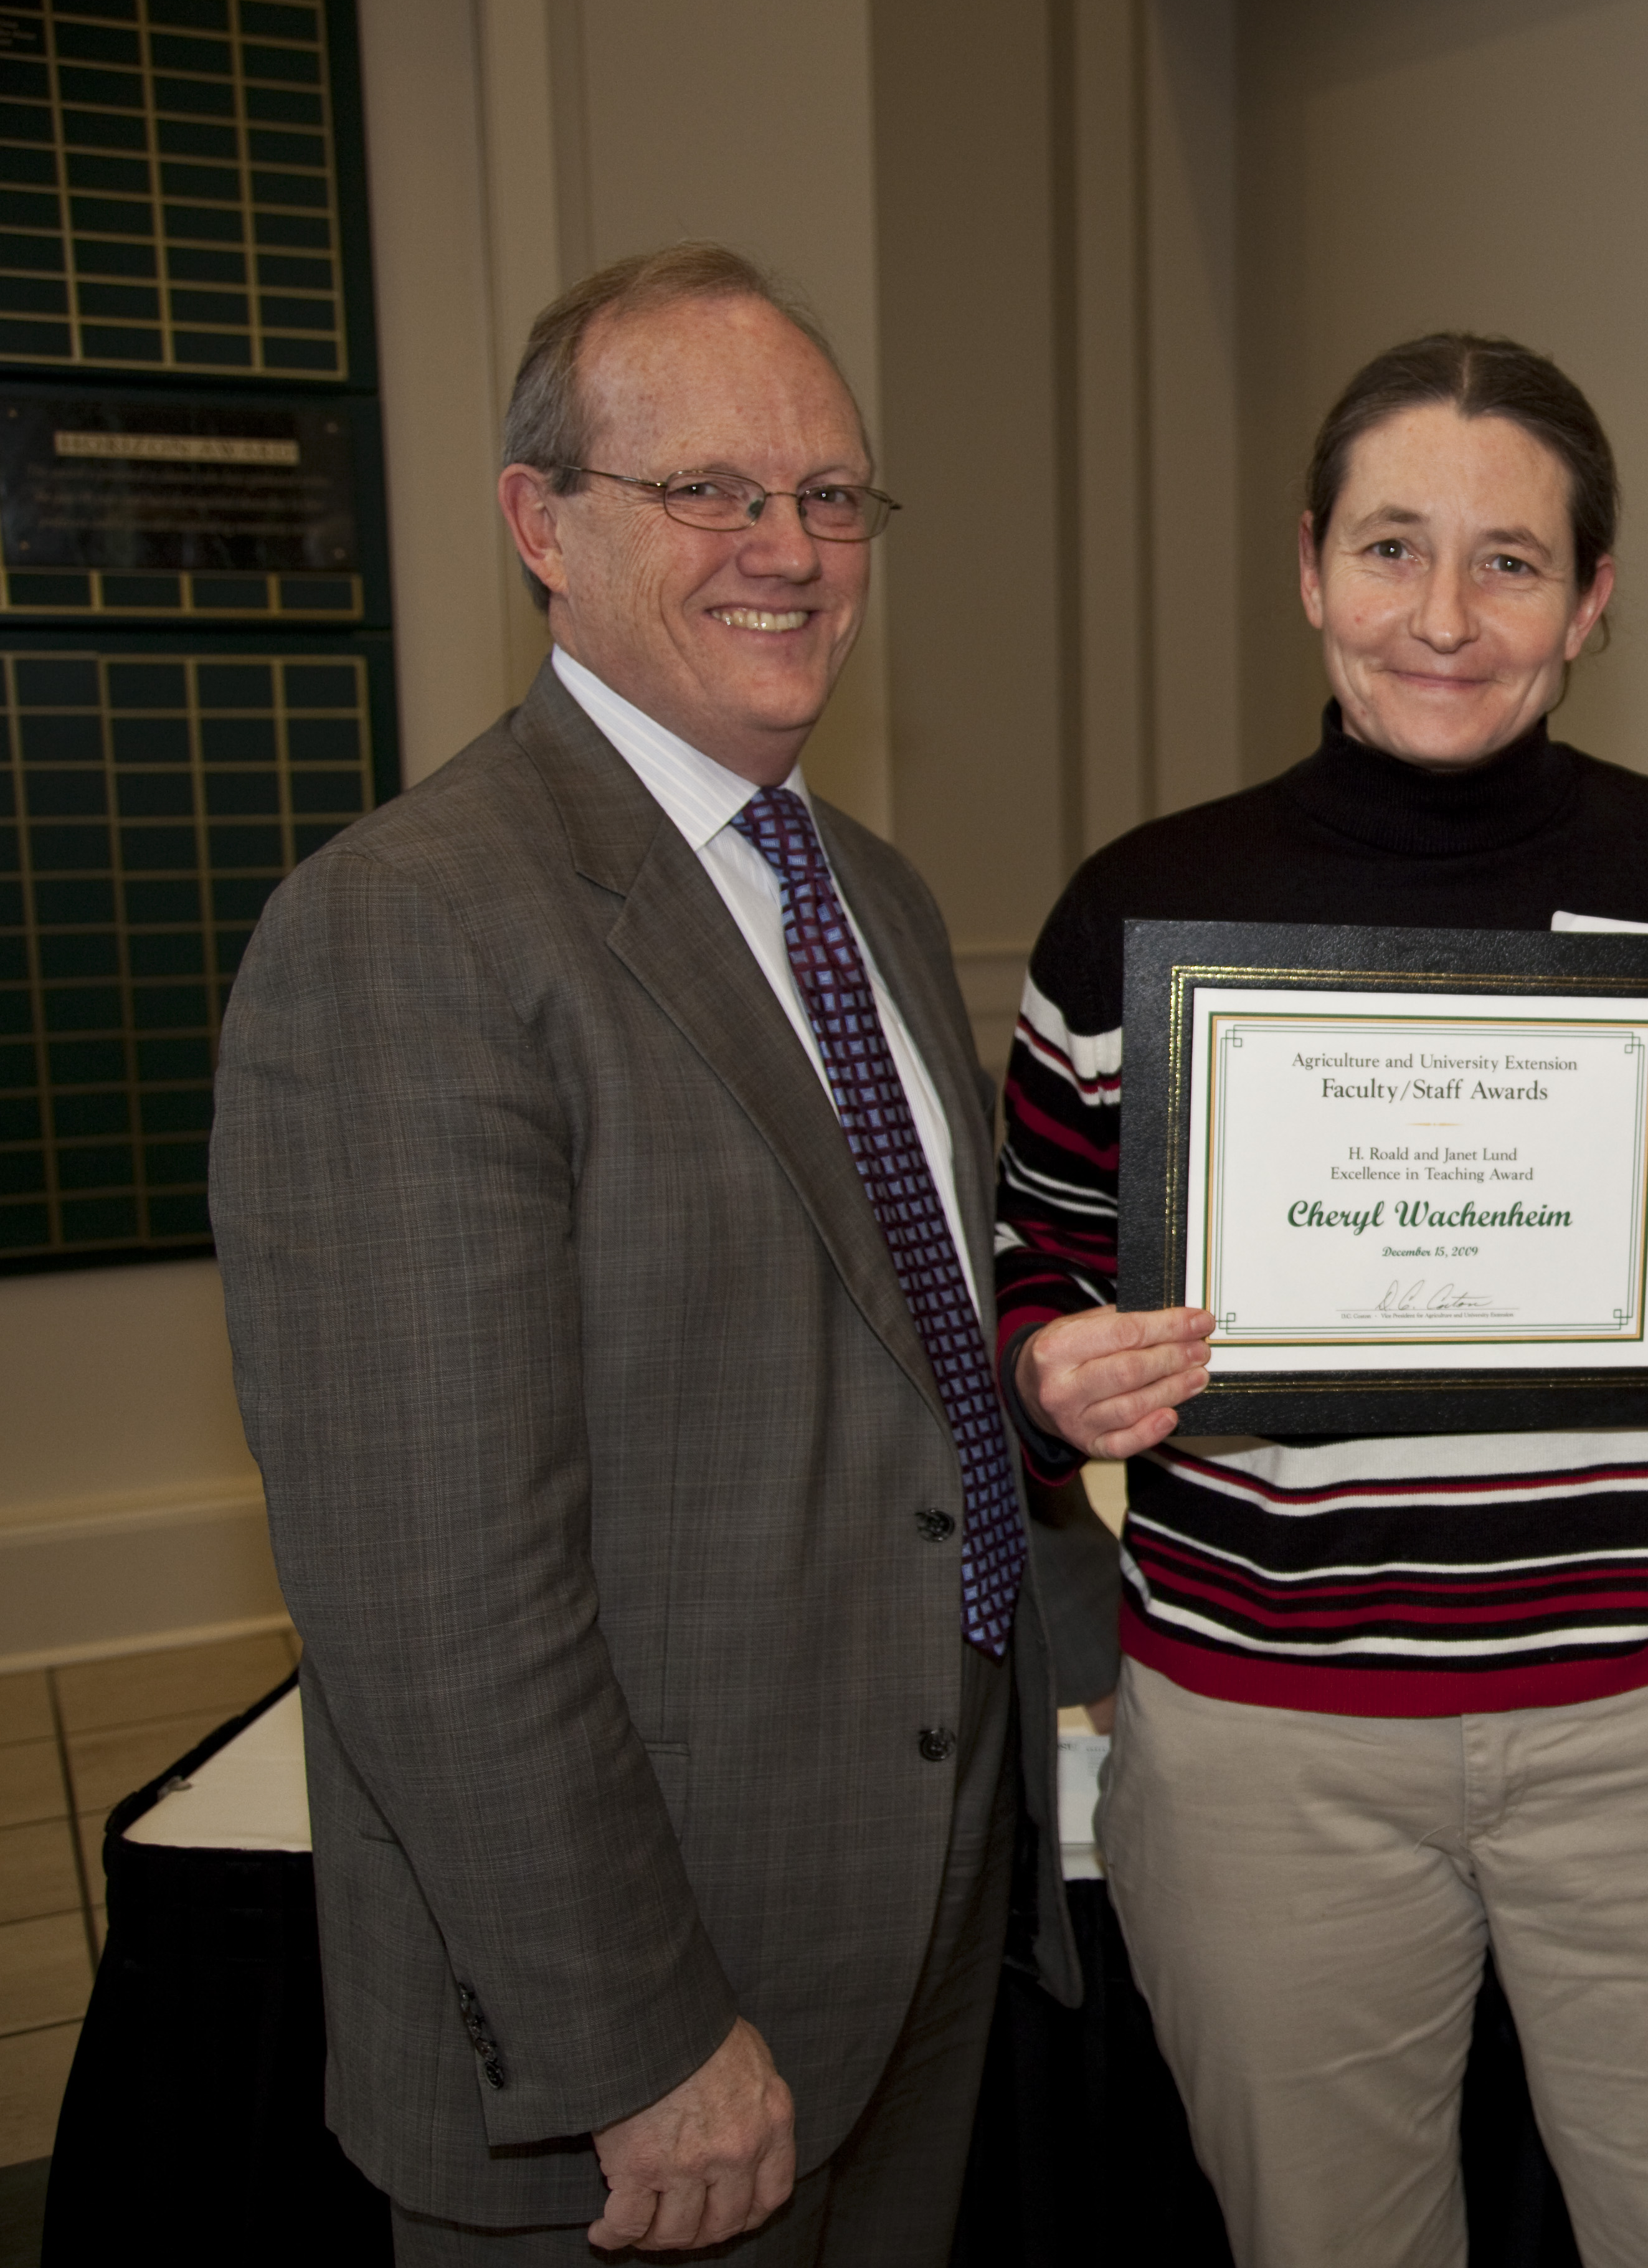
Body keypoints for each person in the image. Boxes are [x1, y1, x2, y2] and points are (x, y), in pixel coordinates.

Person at [212, 244, 1101, 2263]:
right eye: (709, 490)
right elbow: (434, 1590)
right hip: (642, 2043)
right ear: (544, 524)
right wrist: (636, 2037)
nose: (785, 547)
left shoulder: (853, 884)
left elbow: (897, 1361)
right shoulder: (410, 931)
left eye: (829, 496)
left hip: (913, 1927)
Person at [992, 331, 1648, 2268]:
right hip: (1270, 1738)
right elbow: (1026, 1271)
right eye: (1391, 549)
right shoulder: (1136, 917)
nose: (1443, 616)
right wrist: (1055, 1373)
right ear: (1308, 568)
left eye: (1511, 561)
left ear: (1595, 598)